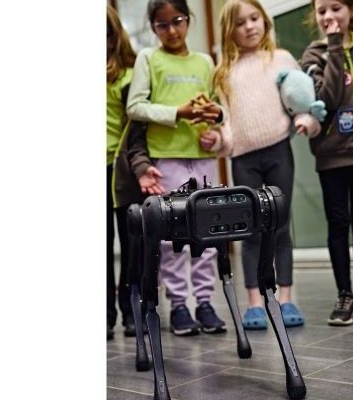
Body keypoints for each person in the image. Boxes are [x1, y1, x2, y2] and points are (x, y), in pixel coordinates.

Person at [210, 0, 318, 330]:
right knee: (251, 229)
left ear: (264, 20)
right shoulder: (223, 73)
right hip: (243, 159)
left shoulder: (281, 59)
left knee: (280, 224)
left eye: (255, 18)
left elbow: (299, 99)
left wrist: (305, 119)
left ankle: (286, 298)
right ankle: (255, 302)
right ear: (230, 30)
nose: (250, 27)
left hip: (278, 151)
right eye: (241, 23)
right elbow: (225, 123)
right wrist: (218, 142)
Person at [126, 0, 228, 336]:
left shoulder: (204, 61)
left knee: (208, 232)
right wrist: (178, 113)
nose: (172, 30)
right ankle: (180, 304)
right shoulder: (148, 58)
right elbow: (136, 107)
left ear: (189, 20)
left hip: (203, 160)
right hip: (165, 158)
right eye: (162, 25)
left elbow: (218, 107)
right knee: (171, 238)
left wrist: (216, 120)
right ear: (154, 27)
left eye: (178, 21)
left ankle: (205, 301)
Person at [301, 0, 353, 326]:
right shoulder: (314, 54)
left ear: (352, 9)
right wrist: (335, 46)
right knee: (339, 223)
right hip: (332, 154)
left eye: (335, 8)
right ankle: (344, 293)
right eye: (321, 11)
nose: (328, 17)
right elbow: (328, 97)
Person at [106, 4, 137, 341]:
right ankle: (104, 316)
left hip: (122, 168)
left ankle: (132, 312)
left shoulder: (128, 74)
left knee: (131, 243)